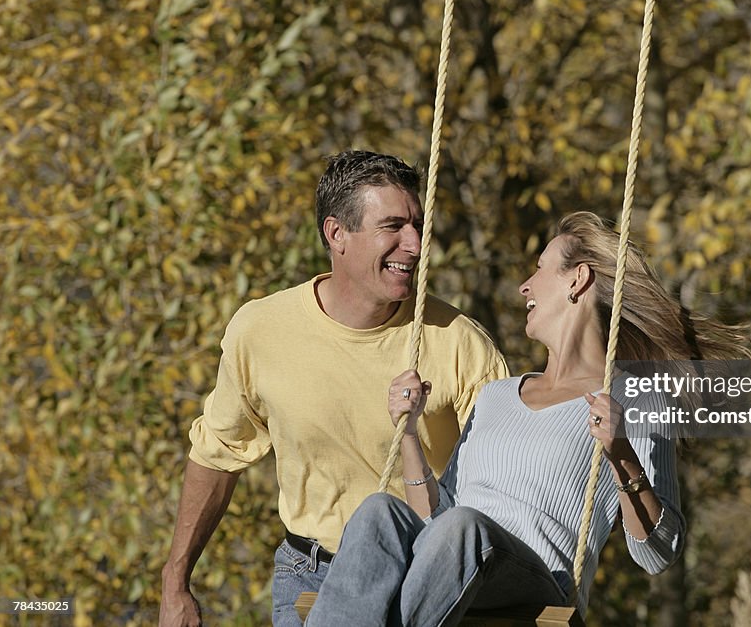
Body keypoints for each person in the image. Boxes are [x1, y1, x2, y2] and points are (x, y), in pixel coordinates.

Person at [304, 211, 750, 625]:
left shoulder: (631, 398)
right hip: (457, 561)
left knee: (464, 528)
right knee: (378, 510)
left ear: (577, 280)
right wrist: (409, 434)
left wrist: (622, 455)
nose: (525, 286)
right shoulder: (496, 395)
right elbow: (436, 518)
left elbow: (660, 552)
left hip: (538, 582)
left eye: (539, 268)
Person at [159, 151, 508, 627]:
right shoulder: (261, 330)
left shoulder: (460, 342)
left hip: (422, 584)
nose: (415, 244)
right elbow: (218, 454)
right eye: (393, 226)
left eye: (418, 226)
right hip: (309, 578)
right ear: (336, 234)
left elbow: (505, 481)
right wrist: (175, 581)